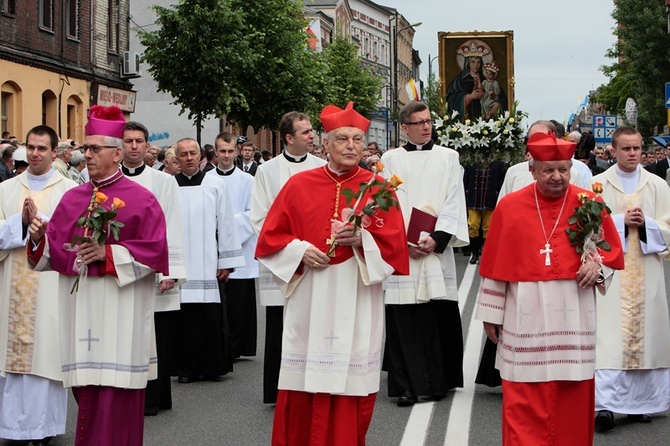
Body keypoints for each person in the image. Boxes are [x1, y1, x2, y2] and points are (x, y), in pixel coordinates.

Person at [256, 101, 409, 445]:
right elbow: (270, 239)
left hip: (356, 293)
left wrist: (362, 240)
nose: (351, 146)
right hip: (310, 295)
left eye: (357, 138)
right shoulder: (298, 185)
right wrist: (299, 251)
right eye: (342, 139)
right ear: (325, 144)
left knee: (350, 381)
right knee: (303, 381)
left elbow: (395, 249)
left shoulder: (379, 189)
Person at [27, 105, 170, 446]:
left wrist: (107, 255)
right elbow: (56, 255)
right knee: (88, 397)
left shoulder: (143, 199)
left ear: (117, 153)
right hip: (81, 316)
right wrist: (37, 239)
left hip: (122, 316)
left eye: (95, 148)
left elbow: (155, 253)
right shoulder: (72, 198)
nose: (85, 154)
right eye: (85, 148)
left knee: (115, 402)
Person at [475, 130, 624, 445]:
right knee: (523, 405)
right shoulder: (510, 207)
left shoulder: (591, 204)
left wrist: (597, 265)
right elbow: (495, 265)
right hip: (524, 316)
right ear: (532, 169)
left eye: (564, 169)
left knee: (571, 400)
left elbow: (611, 252)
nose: (558, 177)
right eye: (549, 170)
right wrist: (492, 312)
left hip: (573, 317)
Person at [380, 101, 469, 406]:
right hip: (402, 248)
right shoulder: (389, 159)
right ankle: (405, 385)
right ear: (404, 127)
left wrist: (437, 237)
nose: (426, 126)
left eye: (428, 121)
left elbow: (455, 199)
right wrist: (403, 240)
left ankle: (437, 383)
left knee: (434, 314)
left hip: (434, 249)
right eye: (418, 122)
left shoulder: (448, 157)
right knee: (403, 316)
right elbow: (385, 202)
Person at [0, 125, 77, 446]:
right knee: (13, 361)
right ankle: (11, 430)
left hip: (49, 286)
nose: (34, 154)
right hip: (13, 285)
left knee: (46, 358)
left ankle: (43, 430)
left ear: (54, 152)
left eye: (42, 149)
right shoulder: (5, 189)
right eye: (30, 148)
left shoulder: (69, 191)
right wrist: (19, 221)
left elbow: (73, 240)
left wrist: (40, 223)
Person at [592, 126, 670, 430]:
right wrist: (621, 221)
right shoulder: (598, 184)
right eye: (626, 149)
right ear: (613, 150)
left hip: (647, 271)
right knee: (609, 340)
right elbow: (589, 229)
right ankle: (606, 406)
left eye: (637, 148)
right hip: (612, 274)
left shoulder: (658, 186)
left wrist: (648, 224)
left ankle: (641, 404)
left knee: (647, 337)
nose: (633, 153)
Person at [250, 111, 327, 404]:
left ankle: (314, 384)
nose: (312, 136)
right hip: (281, 260)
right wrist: (294, 250)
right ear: (289, 138)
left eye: (312, 131)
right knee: (279, 325)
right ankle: (278, 390)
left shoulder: (323, 167)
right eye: (305, 132)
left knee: (315, 322)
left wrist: (315, 248)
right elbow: (259, 218)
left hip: (317, 258)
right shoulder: (267, 171)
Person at [121, 121, 187, 416]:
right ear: (120, 145)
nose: (134, 146)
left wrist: (170, 270)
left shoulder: (163, 181)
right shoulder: (105, 179)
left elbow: (172, 223)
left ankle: (153, 399)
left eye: (139, 141)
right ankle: (123, 394)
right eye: (128, 141)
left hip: (153, 268)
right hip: (119, 269)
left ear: (148, 146)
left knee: (155, 333)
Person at [170, 138, 245, 383]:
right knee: (182, 318)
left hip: (208, 260)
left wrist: (226, 261)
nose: (189, 158)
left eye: (193, 153)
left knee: (210, 316)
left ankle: (213, 365)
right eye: (184, 154)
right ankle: (186, 369)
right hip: (181, 262)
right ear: (177, 159)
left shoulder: (215, 184)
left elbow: (226, 224)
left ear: (201, 157)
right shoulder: (168, 186)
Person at [209, 132, 258, 360]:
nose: (226, 155)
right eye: (222, 151)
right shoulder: (206, 178)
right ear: (215, 153)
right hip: (211, 248)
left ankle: (237, 348)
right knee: (218, 304)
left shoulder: (248, 181)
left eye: (230, 151)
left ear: (236, 152)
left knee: (238, 305)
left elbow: (254, 215)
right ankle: (220, 345)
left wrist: (227, 228)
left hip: (241, 248)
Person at [446, 45, 507, 121]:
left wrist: (498, 104)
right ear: (468, 63)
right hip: (467, 121)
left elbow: (502, 98)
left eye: (478, 62)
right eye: (473, 62)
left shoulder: (487, 79)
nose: (476, 65)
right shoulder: (460, 80)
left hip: (486, 121)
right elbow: (450, 98)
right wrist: (469, 97)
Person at [463, 161, 505, 264]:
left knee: (488, 227)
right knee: (473, 224)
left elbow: (501, 181)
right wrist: (466, 193)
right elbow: (465, 181)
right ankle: (474, 253)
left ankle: (487, 254)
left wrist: (497, 193)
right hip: (473, 198)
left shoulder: (499, 164)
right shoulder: (471, 163)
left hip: (490, 199)